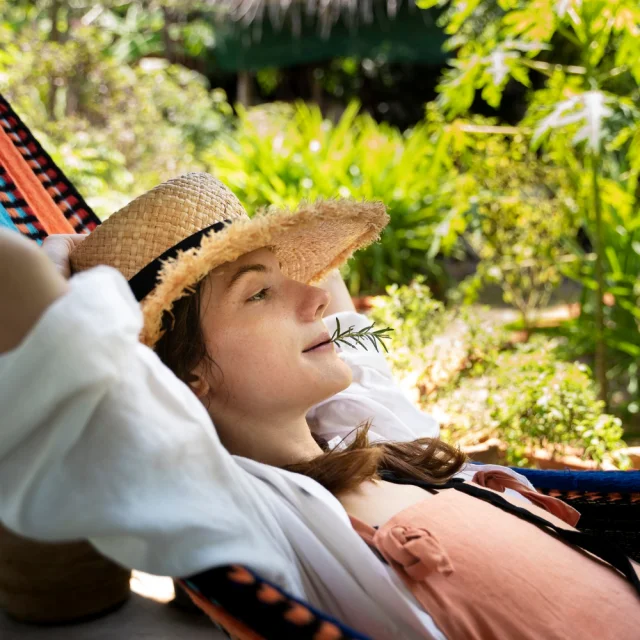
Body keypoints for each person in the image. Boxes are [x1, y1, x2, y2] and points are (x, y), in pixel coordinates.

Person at [0, 173, 638, 640]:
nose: (314, 301)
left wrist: (270, 263)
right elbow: (41, 318)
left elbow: (347, 323)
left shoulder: (391, 441)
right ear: (188, 373)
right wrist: (73, 268)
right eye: (258, 295)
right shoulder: (261, 516)